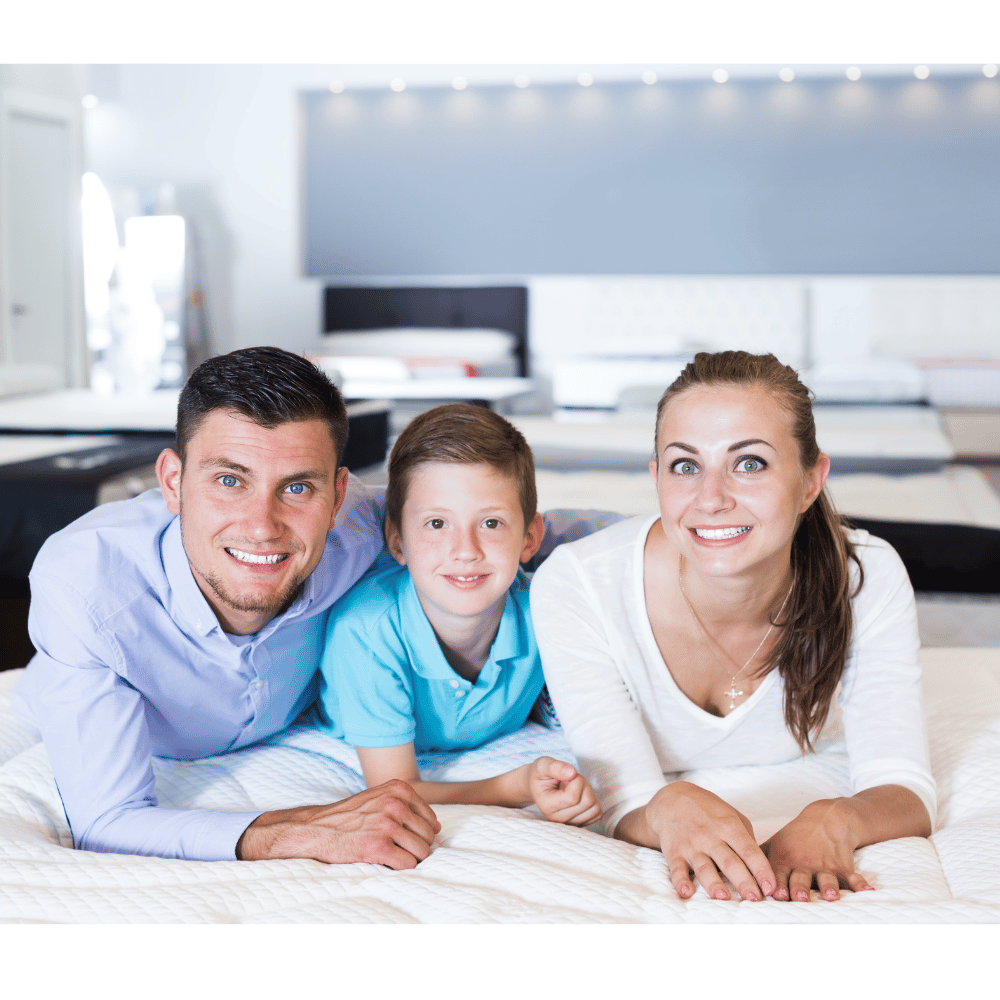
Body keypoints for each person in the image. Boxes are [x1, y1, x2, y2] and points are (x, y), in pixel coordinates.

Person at [12, 347, 613, 864]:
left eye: (298, 486)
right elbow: (107, 821)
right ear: (172, 481)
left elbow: (530, 530)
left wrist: (659, 539)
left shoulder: (363, 527)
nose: (262, 526)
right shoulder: (88, 589)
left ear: (338, 494)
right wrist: (298, 830)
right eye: (229, 480)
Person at [530, 351, 936, 904]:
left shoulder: (866, 574)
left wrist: (836, 818)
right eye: (685, 466)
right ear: (656, 478)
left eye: (749, 463)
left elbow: (903, 781)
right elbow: (624, 797)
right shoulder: (576, 584)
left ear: (811, 480)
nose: (711, 498)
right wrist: (668, 806)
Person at [318, 404, 602, 827]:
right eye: (437, 523)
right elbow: (394, 788)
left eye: (491, 523)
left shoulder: (548, 609)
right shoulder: (366, 630)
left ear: (530, 538)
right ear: (397, 542)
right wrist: (518, 786)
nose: (465, 550)